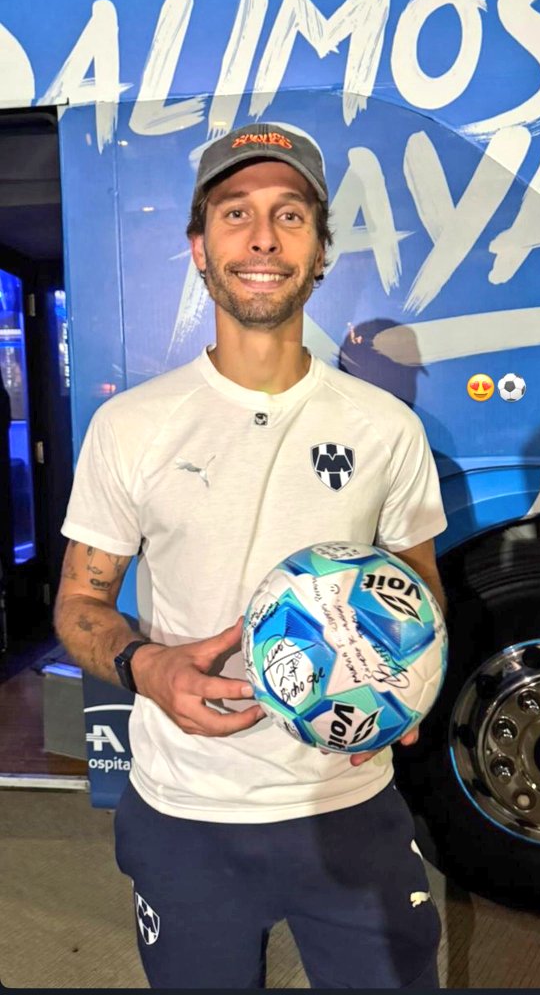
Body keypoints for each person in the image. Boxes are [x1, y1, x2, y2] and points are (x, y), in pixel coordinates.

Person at [54, 122, 448, 990]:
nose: (262, 237)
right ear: (199, 248)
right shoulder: (132, 427)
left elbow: (419, 582)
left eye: (289, 215)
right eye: (235, 213)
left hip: (347, 803)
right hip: (187, 813)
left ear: (319, 252)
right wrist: (147, 666)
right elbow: (80, 606)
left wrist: (412, 675)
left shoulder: (386, 428)